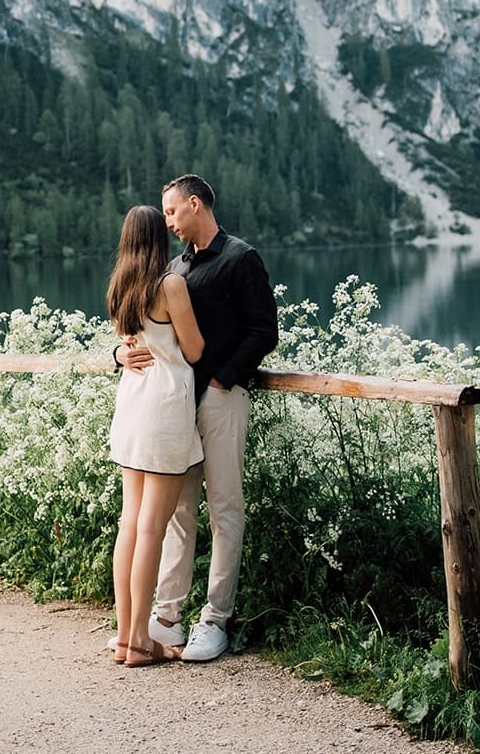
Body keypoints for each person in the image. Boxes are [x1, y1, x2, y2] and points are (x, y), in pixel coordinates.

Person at [115, 174, 279, 663]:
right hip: (174, 407)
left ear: (193, 204)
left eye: (171, 212)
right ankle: (166, 617)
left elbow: (263, 330)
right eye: (162, 217)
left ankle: (215, 618)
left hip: (220, 398)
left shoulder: (240, 258)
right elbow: (147, 335)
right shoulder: (173, 269)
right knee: (178, 515)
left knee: (225, 508)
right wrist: (118, 356)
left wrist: (223, 381)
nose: (167, 222)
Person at [107, 204, 206, 667]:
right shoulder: (170, 285)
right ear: (157, 240)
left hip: (131, 405)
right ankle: (142, 643)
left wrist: (123, 352)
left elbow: (126, 345)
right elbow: (194, 348)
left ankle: (126, 637)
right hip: (164, 408)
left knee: (130, 524)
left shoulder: (122, 287)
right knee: (152, 528)